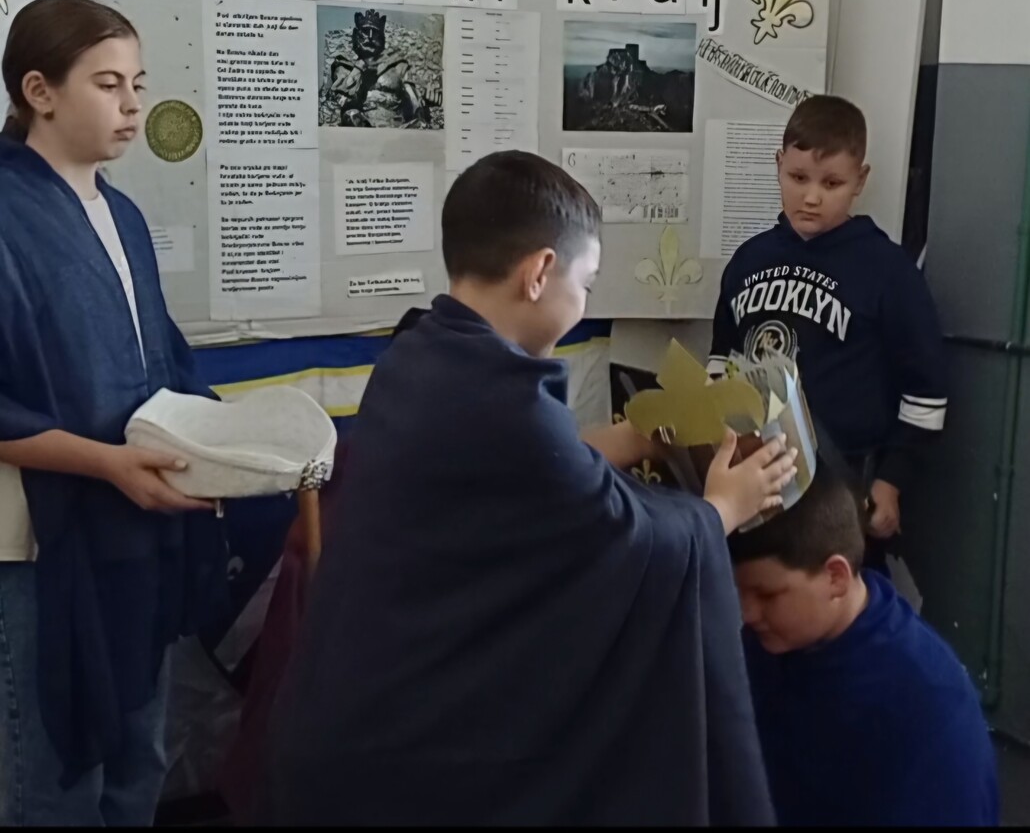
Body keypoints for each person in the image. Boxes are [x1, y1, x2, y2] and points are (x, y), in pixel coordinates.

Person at [261, 150, 797, 826]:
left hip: (343, 716)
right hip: (403, 766)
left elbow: (542, 467)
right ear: (541, 272)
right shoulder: (507, 405)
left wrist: (636, 436)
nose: (585, 301)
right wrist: (721, 509)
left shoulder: (421, 352)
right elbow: (632, 543)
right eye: (587, 282)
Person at [0, 0, 225, 825]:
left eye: (138, 83)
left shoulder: (121, 215)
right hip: (38, 543)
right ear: (39, 91)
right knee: (57, 782)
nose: (133, 105)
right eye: (107, 84)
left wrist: (224, 442)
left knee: (139, 757)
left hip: (132, 530)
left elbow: (159, 360)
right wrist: (104, 463)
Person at [708, 94, 948, 573]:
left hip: (846, 481)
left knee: (837, 595)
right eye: (798, 178)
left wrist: (891, 481)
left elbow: (926, 393)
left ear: (860, 180)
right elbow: (721, 362)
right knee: (755, 592)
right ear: (778, 165)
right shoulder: (748, 260)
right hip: (756, 474)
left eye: (832, 183)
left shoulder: (887, 271)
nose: (812, 196)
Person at [728, 463, 999, 827]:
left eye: (766, 595)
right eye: (738, 591)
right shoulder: (765, 644)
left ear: (836, 577)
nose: (746, 613)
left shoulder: (930, 709)